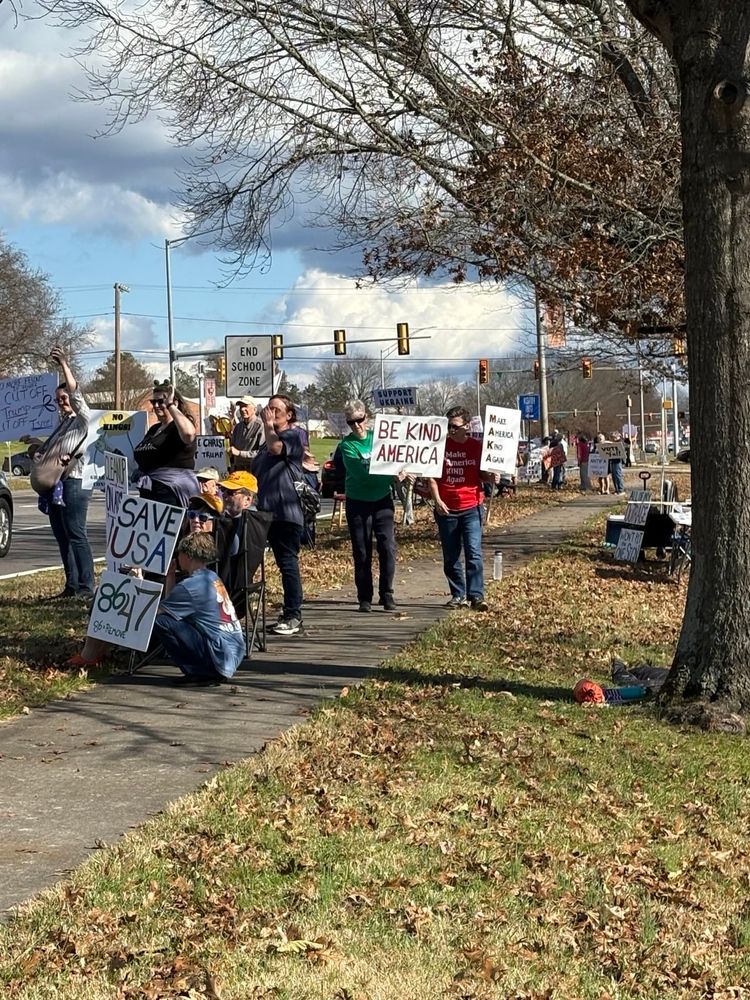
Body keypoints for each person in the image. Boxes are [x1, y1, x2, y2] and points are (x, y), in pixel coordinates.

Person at [34, 346, 96, 601]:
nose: (62, 402)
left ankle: (86, 586)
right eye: (58, 399)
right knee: (62, 536)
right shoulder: (62, 425)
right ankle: (71, 586)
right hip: (57, 485)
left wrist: (64, 365)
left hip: (75, 482)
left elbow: (76, 392)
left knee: (76, 532)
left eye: (64, 398)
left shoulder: (82, 419)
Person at [151, 533, 246, 685]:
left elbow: (160, 612)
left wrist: (137, 580)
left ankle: (200, 672)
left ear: (187, 556)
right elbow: (172, 607)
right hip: (231, 651)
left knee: (160, 622)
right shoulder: (211, 576)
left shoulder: (190, 587)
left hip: (219, 655)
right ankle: (204, 671)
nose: (177, 557)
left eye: (179, 553)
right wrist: (170, 577)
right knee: (168, 620)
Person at [428, 406, 496, 611]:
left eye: (453, 426)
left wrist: (491, 476)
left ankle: (476, 595)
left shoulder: (477, 446)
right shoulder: (440, 446)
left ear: (466, 426)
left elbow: (483, 475)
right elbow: (431, 476)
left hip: (471, 508)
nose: (449, 430)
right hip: (447, 509)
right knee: (451, 555)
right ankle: (458, 594)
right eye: (447, 425)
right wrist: (437, 500)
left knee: (473, 552)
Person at [251, 395, 307, 635]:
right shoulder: (265, 444)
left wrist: (266, 424)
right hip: (266, 512)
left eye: (276, 409)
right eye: (268, 408)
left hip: (286, 511)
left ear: (289, 415)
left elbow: (276, 449)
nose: (270, 412)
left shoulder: (293, 436)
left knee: (287, 562)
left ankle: (294, 614)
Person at [339, 399, 399, 613]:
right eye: (351, 422)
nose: (356, 425)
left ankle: (387, 594)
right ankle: (365, 597)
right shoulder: (347, 446)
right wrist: (392, 475)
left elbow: (398, 457)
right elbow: (363, 476)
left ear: (367, 417)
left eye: (360, 420)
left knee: (387, 547)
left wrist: (401, 471)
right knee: (362, 550)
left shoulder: (381, 439)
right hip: (358, 502)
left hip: (383, 501)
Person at [133, 381, 198, 507]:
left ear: (175, 403)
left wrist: (170, 405)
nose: (156, 405)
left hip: (171, 493)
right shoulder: (154, 429)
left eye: (161, 401)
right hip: (149, 491)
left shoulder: (179, 427)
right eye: (153, 402)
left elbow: (189, 434)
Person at [230, 396, 264, 472]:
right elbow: (233, 448)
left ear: (254, 409)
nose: (242, 409)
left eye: (246, 406)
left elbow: (262, 453)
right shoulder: (238, 427)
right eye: (241, 407)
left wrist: (240, 453)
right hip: (238, 472)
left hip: (254, 472)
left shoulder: (261, 426)